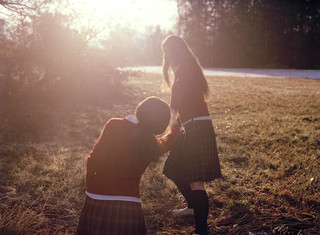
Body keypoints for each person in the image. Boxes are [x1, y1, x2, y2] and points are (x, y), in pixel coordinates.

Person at [76, 96, 178, 235]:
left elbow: (94, 159)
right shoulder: (152, 145)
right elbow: (169, 141)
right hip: (129, 205)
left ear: (140, 109)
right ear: (159, 126)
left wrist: (91, 183)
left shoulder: (114, 125)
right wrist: (176, 124)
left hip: (98, 196)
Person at [161, 35, 222, 235]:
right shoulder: (183, 70)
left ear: (177, 50)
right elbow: (181, 106)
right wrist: (172, 130)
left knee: (196, 180)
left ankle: (201, 230)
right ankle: (192, 207)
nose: (166, 55)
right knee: (173, 168)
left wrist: (170, 114)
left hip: (198, 128)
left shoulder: (186, 67)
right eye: (164, 52)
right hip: (191, 127)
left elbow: (177, 97)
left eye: (168, 50)